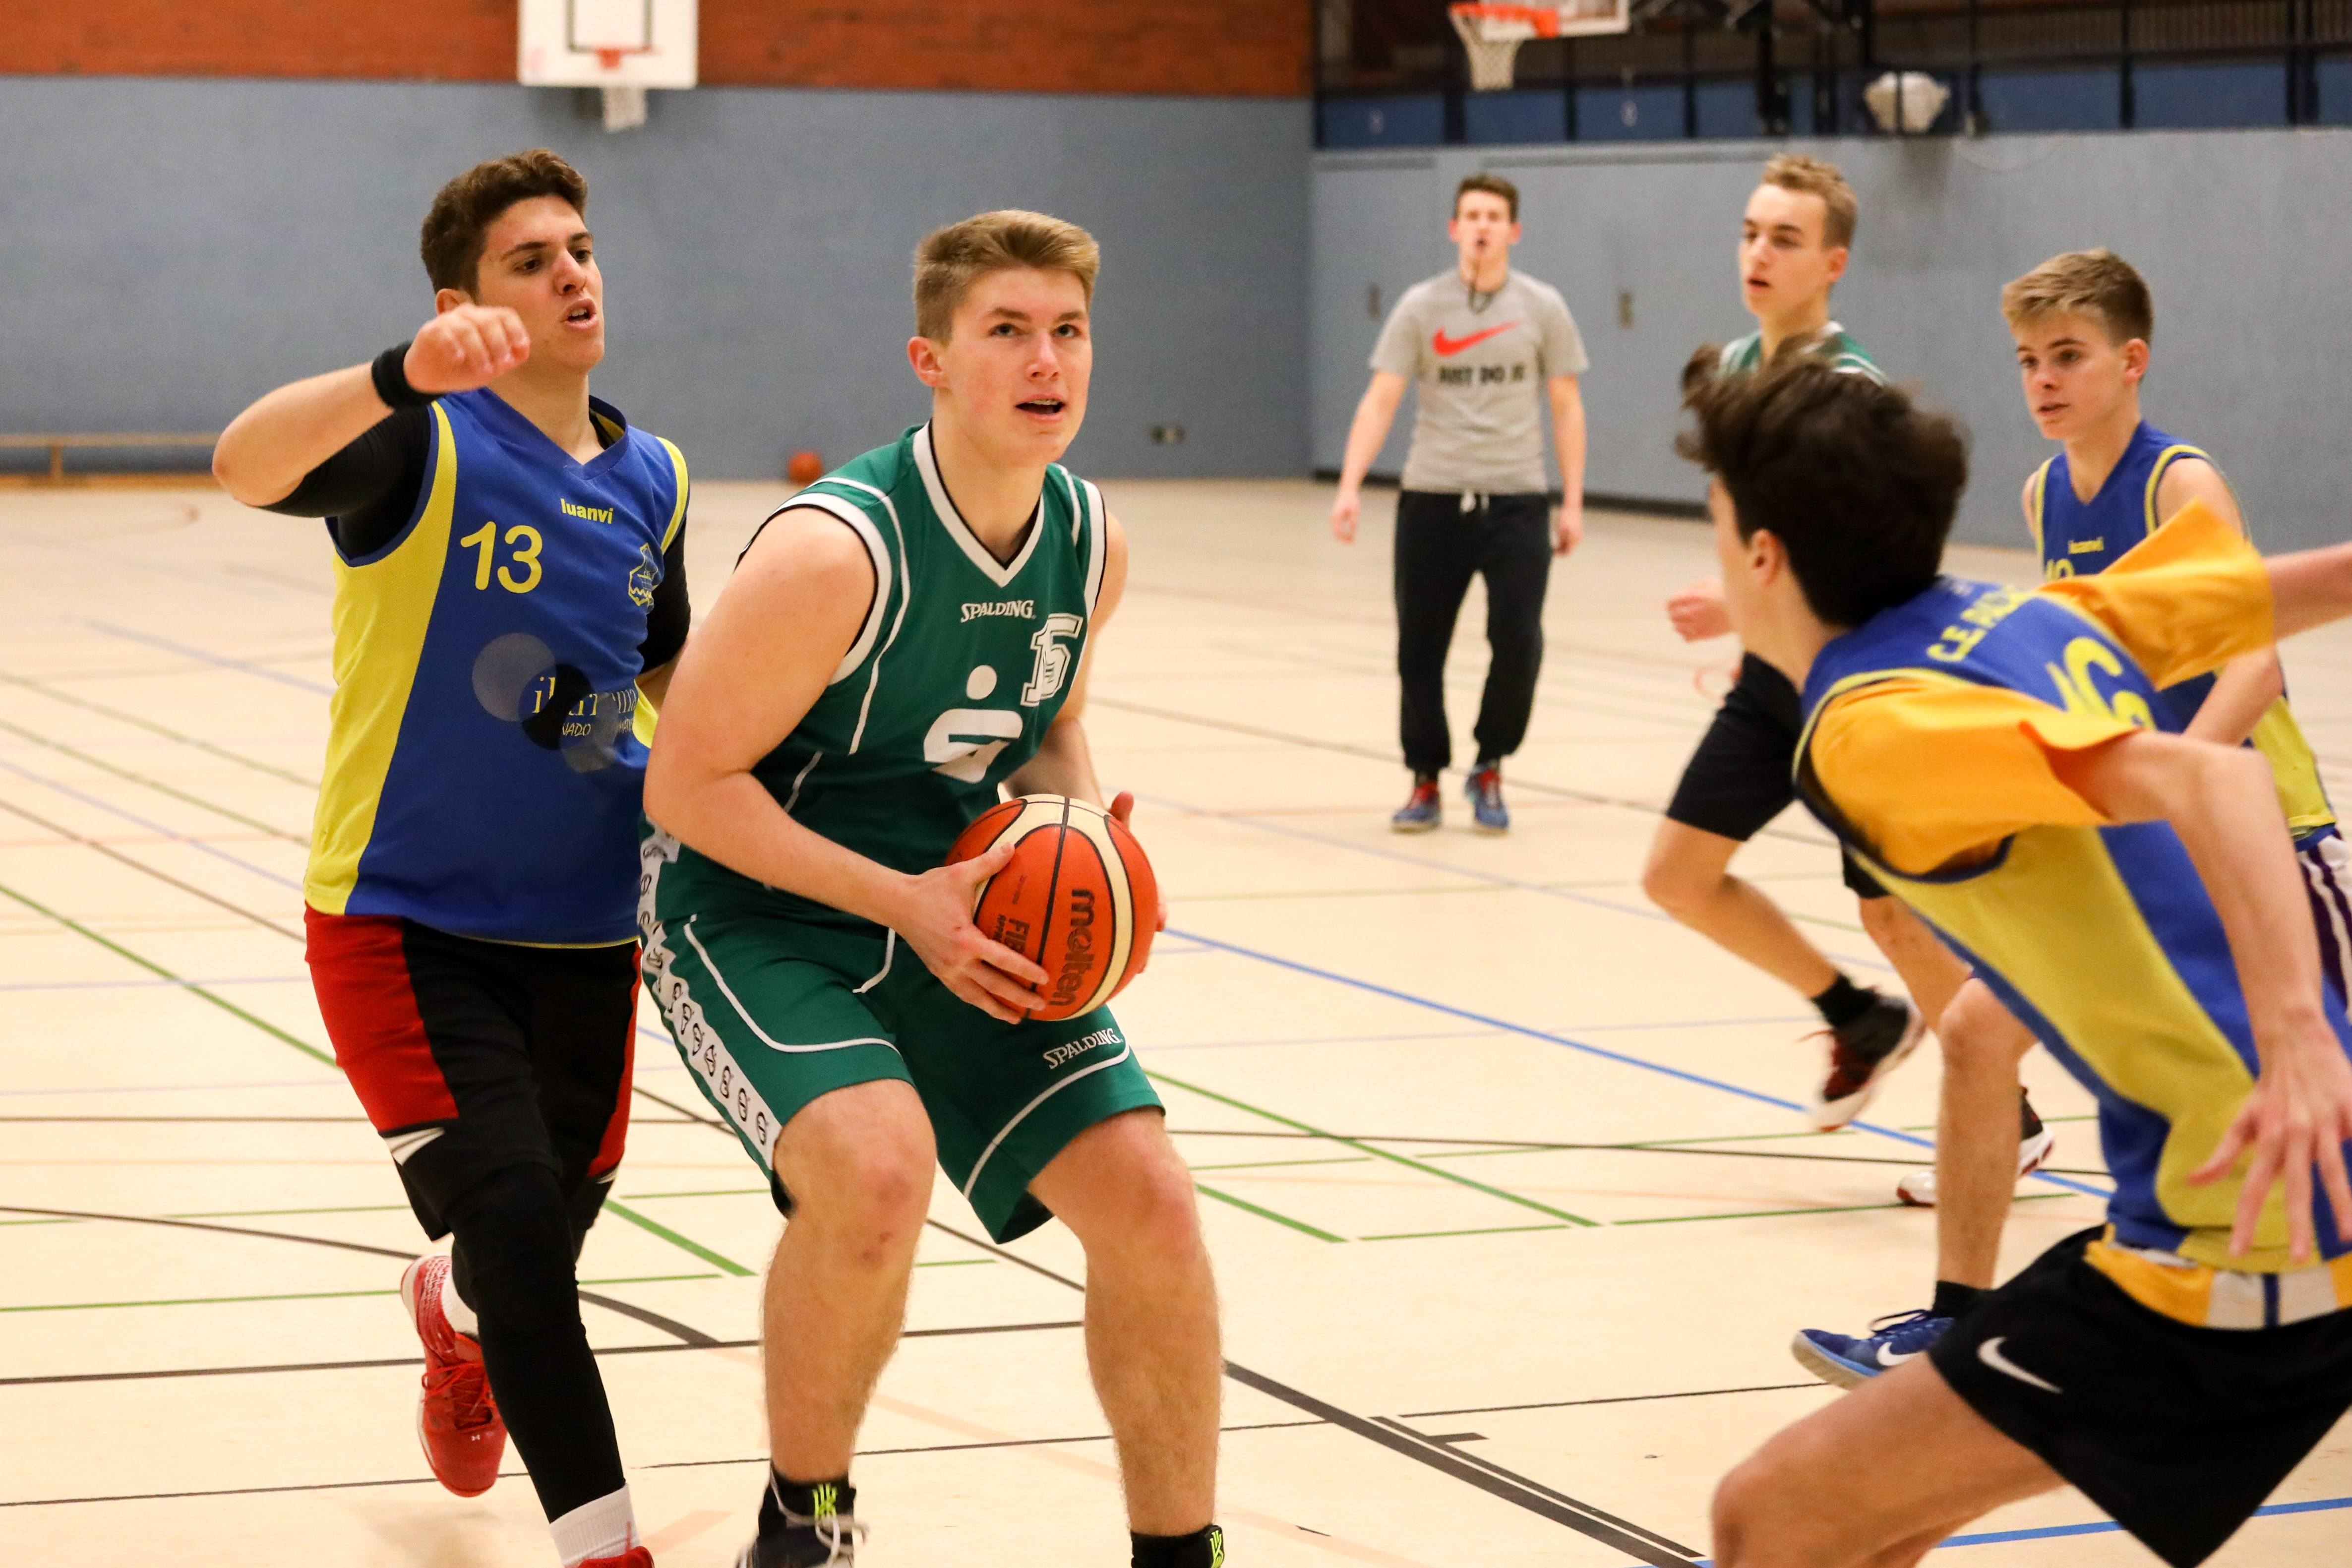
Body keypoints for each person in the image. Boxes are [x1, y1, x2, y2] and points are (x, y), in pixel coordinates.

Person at [1686, 358, 2352, 1568]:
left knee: (1766, 1514)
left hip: (2248, 1225)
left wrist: (2295, 1035)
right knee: (1868, 1524)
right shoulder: (2019, 615)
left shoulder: (1874, 731)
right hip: (2258, 1197)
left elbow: (2215, 776)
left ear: (1764, 557)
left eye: (1718, 524)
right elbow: (2321, 581)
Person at [636, 210, 1221, 1568]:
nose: (1046, 360)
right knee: (878, 1170)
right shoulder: (833, 552)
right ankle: (804, 1524)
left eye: (1068, 331)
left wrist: (1085, 838)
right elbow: (685, 786)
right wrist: (907, 905)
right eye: (1007, 330)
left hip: (963, 904)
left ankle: (1181, 1555)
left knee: (1152, 1204)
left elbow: (1050, 729)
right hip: (757, 904)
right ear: (933, 360)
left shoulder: (1090, 538)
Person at [211, 149, 683, 1568]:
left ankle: (456, 1310)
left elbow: (680, 685)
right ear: (460, 306)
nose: (572, 273)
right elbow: (242, 465)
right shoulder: (421, 441)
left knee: (535, 1242)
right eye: (531, 260)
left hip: (592, 932)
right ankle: (609, 1549)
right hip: (407, 925)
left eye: (579, 248)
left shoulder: (652, 476)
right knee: (522, 1229)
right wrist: (393, 377)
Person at [1792, 248, 2352, 1386]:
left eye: (2066, 357)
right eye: (2025, 361)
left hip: (2268, 835)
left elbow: (2253, 667)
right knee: (1972, 1033)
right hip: (2154, 834)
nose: (2042, 380)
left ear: (2129, 361)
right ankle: (1955, 1321)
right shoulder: (2044, 492)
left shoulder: (2177, 487)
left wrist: (2164, 785)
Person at [1642, 154, 1991, 1133]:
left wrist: (1737, 601)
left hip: (1848, 682)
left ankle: (2005, 1113)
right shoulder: (1737, 369)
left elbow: (1868, 550)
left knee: (1894, 913)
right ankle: (1859, 1016)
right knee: (1676, 877)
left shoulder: (1847, 390)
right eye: (1751, 233)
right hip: (1771, 679)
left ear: (1832, 263)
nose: (1758, 253)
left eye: (1785, 239)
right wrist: (1750, 618)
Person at [1328, 173, 1588, 835]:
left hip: (1517, 499)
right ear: (1454, 228)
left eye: (1494, 217)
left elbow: (1566, 405)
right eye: (1471, 215)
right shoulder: (1421, 307)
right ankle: (1424, 776)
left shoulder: (1543, 306)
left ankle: (1491, 763)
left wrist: (1572, 501)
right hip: (1434, 498)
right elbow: (1382, 398)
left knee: (1519, 641)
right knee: (1420, 647)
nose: (1482, 227)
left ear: (1513, 231)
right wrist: (1351, 485)